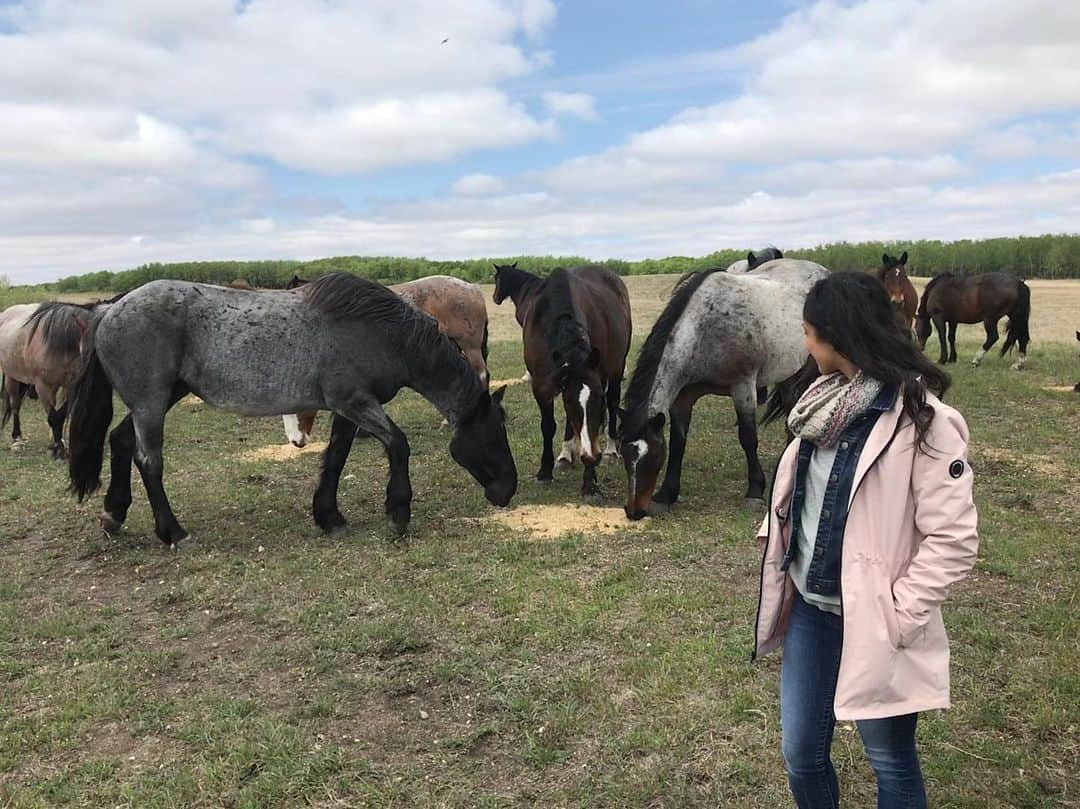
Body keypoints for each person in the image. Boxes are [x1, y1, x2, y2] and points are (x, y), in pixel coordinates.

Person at [752, 272, 979, 808]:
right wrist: (779, 531)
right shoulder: (821, 403)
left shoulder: (925, 422)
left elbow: (953, 538)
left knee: (891, 763)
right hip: (810, 608)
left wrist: (900, 613)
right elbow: (810, 486)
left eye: (808, 332)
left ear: (838, 337)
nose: (804, 343)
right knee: (801, 754)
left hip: (876, 617)